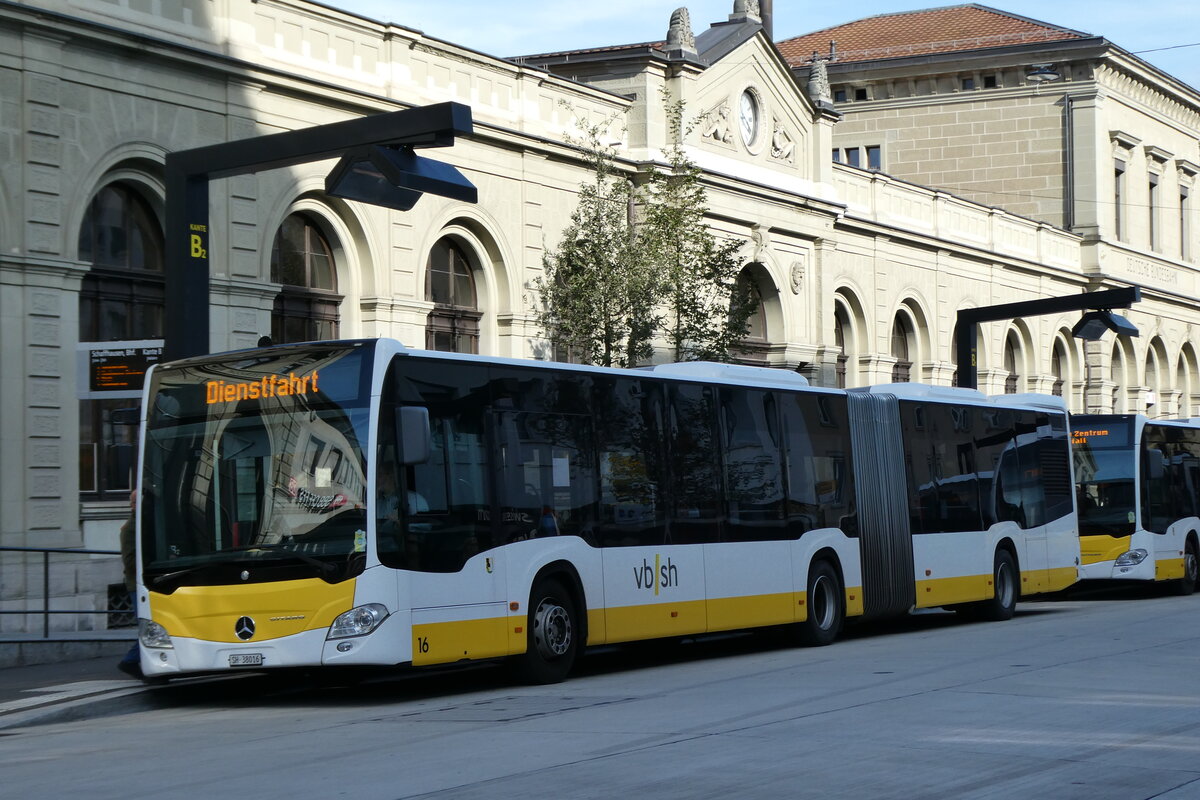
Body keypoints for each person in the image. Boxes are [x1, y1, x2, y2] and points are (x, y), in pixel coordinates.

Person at [117, 490, 143, 679]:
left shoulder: (143, 524)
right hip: (137, 584)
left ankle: (133, 660)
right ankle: (130, 660)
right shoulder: (130, 528)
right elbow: (130, 561)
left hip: (142, 582)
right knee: (148, 626)